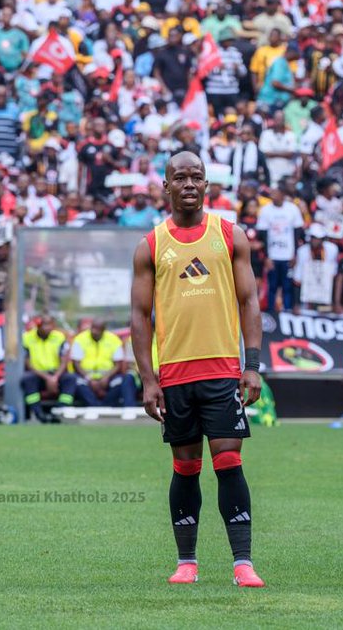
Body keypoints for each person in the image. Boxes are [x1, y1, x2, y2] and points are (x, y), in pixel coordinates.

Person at [130, 150, 266, 588]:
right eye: (180, 178)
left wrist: (253, 365)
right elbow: (139, 314)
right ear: (166, 186)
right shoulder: (151, 245)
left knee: (229, 461)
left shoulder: (229, 235)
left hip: (223, 370)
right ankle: (186, 562)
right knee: (185, 467)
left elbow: (249, 302)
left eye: (197, 177)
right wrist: (148, 378)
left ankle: (242, 563)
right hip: (174, 376)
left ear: (207, 185)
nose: (189, 184)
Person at [21, 315, 76, 422]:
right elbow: (27, 363)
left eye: (50, 325)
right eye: (45, 325)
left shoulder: (59, 337)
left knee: (71, 378)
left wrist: (55, 377)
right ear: (38, 326)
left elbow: (64, 360)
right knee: (27, 379)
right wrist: (47, 378)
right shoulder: (27, 338)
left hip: (55, 373)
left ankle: (60, 411)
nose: (48, 328)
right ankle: (38, 414)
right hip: (38, 374)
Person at [70, 319, 137, 406]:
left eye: (97, 329)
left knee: (120, 381)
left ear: (104, 329)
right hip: (85, 377)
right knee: (76, 382)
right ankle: (94, 406)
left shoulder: (113, 340)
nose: (94, 331)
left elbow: (118, 364)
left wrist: (106, 377)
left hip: (108, 378)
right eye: (93, 328)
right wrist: (89, 378)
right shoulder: (80, 339)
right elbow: (76, 363)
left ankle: (106, 405)